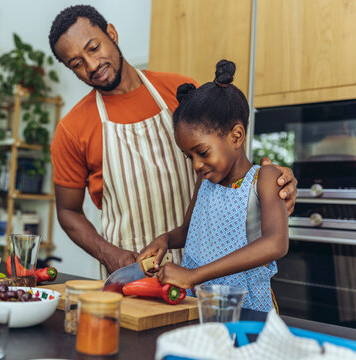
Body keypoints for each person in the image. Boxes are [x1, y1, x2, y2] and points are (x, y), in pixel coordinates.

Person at [48, 5, 297, 276]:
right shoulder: (72, 129)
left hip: (208, 265)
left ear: (112, 33)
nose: (92, 65)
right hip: (133, 271)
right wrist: (109, 254)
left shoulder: (181, 93)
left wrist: (272, 183)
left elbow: (230, 162)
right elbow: (68, 212)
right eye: (76, 63)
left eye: (94, 48)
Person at [138, 60, 288, 312]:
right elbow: (188, 232)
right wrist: (164, 239)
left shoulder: (264, 178)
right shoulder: (205, 181)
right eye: (189, 156)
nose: (196, 165)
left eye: (202, 152)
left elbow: (276, 243)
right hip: (197, 305)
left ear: (236, 136)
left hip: (247, 310)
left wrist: (194, 275)